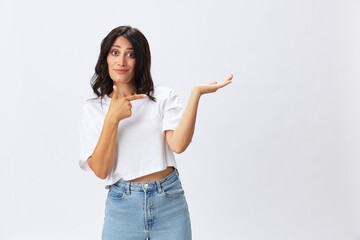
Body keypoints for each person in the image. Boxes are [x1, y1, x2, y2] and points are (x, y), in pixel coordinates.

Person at [79, 25, 233, 240]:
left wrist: (196, 94)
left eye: (130, 54)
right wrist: (112, 118)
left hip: (168, 201)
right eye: (115, 52)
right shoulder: (94, 108)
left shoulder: (162, 97)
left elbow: (178, 145)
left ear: (140, 60)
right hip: (123, 207)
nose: (121, 61)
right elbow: (101, 170)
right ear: (105, 57)